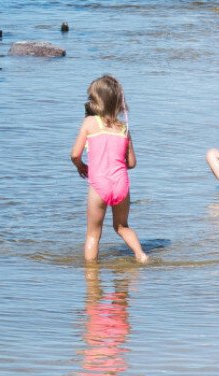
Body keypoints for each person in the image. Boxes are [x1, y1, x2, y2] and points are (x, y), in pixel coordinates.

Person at [70, 74, 149, 264]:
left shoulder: (89, 123)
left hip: (99, 185)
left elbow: (74, 154)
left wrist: (81, 166)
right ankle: (141, 255)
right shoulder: (124, 129)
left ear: (96, 101)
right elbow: (131, 163)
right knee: (122, 226)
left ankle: (91, 275)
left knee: (93, 235)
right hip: (121, 184)